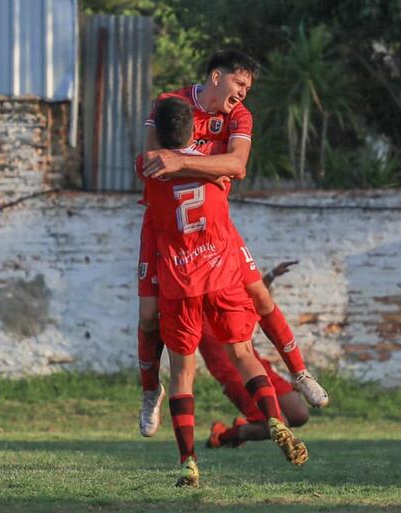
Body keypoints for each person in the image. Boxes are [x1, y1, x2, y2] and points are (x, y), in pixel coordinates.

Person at [137, 50, 328, 440]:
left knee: (259, 295)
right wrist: (209, 167)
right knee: (148, 317)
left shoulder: (239, 116)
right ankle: (149, 392)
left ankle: (299, 372)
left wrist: (182, 163)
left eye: (248, 87)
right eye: (239, 83)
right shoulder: (169, 104)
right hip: (164, 229)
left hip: (216, 229)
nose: (243, 93)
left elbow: (237, 165)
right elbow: (149, 161)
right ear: (216, 76)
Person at [141, 97, 308, 487]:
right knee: (247, 356)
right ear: (196, 132)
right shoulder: (214, 167)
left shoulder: (150, 169)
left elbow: (151, 151)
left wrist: (158, 119)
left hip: (181, 283)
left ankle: (186, 457)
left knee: (181, 372)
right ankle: (270, 408)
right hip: (218, 277)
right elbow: (234, 163)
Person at [202, 261, 310, 449]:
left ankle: (243, 428)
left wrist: (270, 276)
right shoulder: (193, 303)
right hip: (232, 374)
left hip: (255, 364)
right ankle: (223, 436)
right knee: (278, 423)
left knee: (299, 415)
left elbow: (255, 296)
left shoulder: (229, 295)